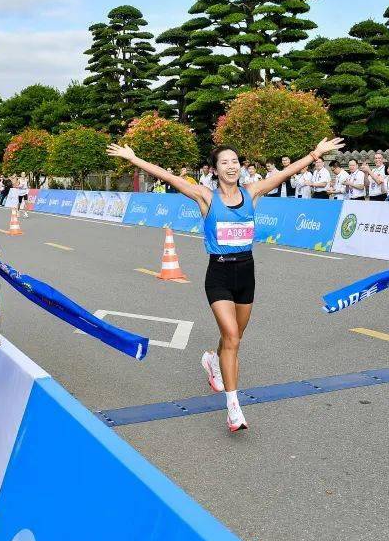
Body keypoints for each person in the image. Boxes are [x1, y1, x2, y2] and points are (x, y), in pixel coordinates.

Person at [107, 135, 346, 432]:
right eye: (225, 163)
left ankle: (212, 359)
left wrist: (314, 154)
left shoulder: (253, 192)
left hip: (246, 273)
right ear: (215, 170)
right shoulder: (206, 197)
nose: (231, 167)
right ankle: (234, 407)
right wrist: (134, 159)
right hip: (218, 274)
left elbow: (285, 173)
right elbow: (167, 176)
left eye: (235, 162)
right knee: (231, 336)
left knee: (234, 337)